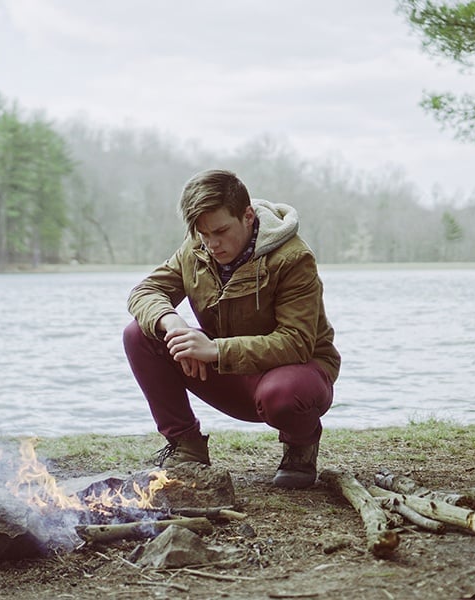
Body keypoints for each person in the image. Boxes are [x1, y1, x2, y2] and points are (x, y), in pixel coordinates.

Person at [123, 169, 340, 489]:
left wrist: (214, 350)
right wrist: (173, 323)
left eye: (221, 231)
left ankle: (300, 444)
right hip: (230, 372)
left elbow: (297, 342)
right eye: (203, 233)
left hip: (293, 376)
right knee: (139, 334)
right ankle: (187, 446)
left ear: (248, 216)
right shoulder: (195, 248)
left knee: (283, 395)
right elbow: (144, 293)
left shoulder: (294, 258)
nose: (212, 243)